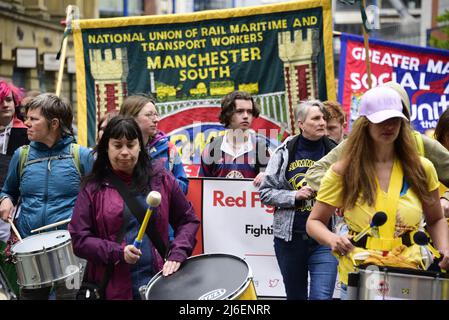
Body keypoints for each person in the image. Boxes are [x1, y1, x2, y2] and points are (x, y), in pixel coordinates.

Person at [306, 86, 449, 299]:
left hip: (410, 273)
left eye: (395, 119)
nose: (389, 125)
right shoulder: (343, 170)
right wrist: (332, 239)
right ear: (365, 124)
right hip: (360, 272)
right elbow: (314, 222)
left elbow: (436, 218)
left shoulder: (422, 167)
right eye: (381, 120)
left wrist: (445, 249)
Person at [68, 116, 200, 300]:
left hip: (160, 282)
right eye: (117, 145)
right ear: (106, 147)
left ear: (140, 146)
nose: (124, 152)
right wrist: (117, 252)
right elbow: (80, 239)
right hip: (113, 289)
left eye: (130, 145)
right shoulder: (93, 187)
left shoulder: (161, 178)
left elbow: (188, 219)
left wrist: (178, 254)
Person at [305, 81, 449, 217]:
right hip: (365, 233)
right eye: (381, 117)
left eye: (394, 117)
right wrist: (347, 194)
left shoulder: (422, 144)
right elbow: (314, 172)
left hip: (415, 234)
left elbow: (436, 221)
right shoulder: (354, 145)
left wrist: (445, 201)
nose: (388, 125)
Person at [0, 93, 93, 300]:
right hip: (30, 248)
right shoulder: (21, 155)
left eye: (34, 119)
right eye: (27, 118)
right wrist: (5, 199)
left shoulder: (82, 156)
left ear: (54, 123)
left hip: (70, 249)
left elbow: (99, 201)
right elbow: (8, 191)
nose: (26, 123)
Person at [258, 100, 338, 300]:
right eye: (316, 118)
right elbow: (265, 192)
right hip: (290, 240)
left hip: (325, 240)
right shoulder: (285, 152)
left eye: (323, 119)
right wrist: (294, 196)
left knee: (321, 297)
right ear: (301, 124)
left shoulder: (335, 151)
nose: (322, 123)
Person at [119, 95, 189, 194]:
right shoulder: (115, 151)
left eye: (156, 114)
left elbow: (184, 188)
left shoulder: (168, 148)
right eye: (149, 115)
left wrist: (162, 177)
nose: (156, 119)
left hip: (161, 208)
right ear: (130, 118)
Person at [199, 91, 270, 187]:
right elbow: (201, 187)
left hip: (252, 201)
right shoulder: (211, 149)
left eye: (249, 111)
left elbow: (275, 188)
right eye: (240, 111)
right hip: (218, 201)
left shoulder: (261, 148)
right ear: (228, 114)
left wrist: (268, 177)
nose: (245, 116)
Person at [0, 80, 28, 297]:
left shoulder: (26, 132)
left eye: (8, 100)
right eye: (0, 101)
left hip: (17, 206)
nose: (5, 105)